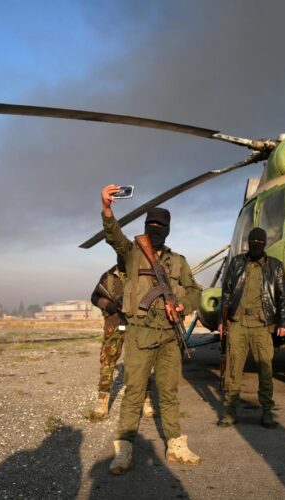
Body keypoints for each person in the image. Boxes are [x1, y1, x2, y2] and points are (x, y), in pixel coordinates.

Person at [100, 184, 202, 475]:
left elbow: (195, 291)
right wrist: (108, 208)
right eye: (151, 225)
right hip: (140, 333)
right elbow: (113, 236)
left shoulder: (178, 261)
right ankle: (124, 449)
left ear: (168, 230)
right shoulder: (132, 253)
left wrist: (182, 304)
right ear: (145, 226)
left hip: (170, 336)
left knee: (169, 392)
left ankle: (175, 444)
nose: (155, 229)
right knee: (134, 392)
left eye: (160, 226)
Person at [218, 227, 285, 429]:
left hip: (262, 325)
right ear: (248, 243)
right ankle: (230, 411)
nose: (255, 245)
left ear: (264, 244)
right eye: (252, 242)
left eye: (259, 242)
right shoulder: (237, 263)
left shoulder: (275, 267)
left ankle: (267, 411)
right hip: (238, 324)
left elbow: (282, 297)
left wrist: (284, 323)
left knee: (265, 371)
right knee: (233, 371)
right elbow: (226, 293)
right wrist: (221, 321)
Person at [89, 254, 155, 420]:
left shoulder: (142, 275)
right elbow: (95, 297)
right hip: (114, 324)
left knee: (142, 363)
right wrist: (110, 305)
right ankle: (102, 401)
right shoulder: (108, 276)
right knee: (108, 362)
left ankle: (146, 399)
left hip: (137, 325)